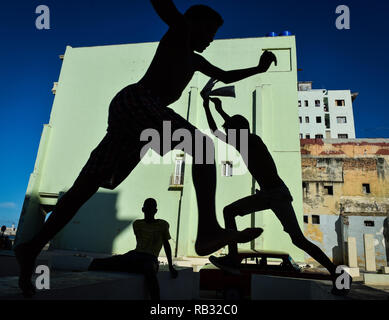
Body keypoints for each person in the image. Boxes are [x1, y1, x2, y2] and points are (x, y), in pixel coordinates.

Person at [14, 0, 276, 297]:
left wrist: (259, 68)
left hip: (133, 113)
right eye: (210, 31)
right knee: (201, 145)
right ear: (193, 23)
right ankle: (207, 232)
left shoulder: (196, 62)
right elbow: (164, 6)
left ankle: (30, 247)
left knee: (85, 186)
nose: (211, 39)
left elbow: (226, 76)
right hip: (139, 101)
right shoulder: (179, 31)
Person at [201, 91, 352, 296]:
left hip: (273, 194)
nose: (227, 133)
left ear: (236, 131)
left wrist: (207, 106)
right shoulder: (250, 140)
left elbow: (215, 130)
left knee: (229, 211)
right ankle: (339, 275)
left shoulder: (247, 142)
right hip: (278, 193)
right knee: (298, 240)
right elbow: (232, 126)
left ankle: (232, 259)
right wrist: (219, 109)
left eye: (230, 130)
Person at [88, 198, 177, 300]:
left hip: (150, 258)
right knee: (113, 260)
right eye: (147, 208)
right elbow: (141, 244)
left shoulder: (163, 225)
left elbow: (166, 245)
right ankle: (88, 265)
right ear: (143, 210)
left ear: (155, 211)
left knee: (148, 269)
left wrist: (170, 266)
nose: (149, 211)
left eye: (151, 209)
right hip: (136, 255)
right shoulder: (137, 224)